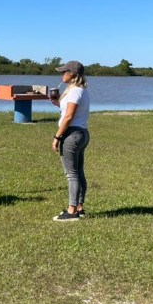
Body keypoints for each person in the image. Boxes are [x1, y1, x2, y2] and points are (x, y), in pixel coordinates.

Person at [50, 60, 90, 221]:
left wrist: (57, 137)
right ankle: (79, 207)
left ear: (72, 74)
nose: (62, 74)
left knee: (71, 174)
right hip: (81, 133)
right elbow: (70, 111)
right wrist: (58, 103)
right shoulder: (80, 90)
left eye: (64, 72)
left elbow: (69, 116)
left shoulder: (74, 91)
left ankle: (72, 210)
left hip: (72, 135)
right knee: (78, 172)